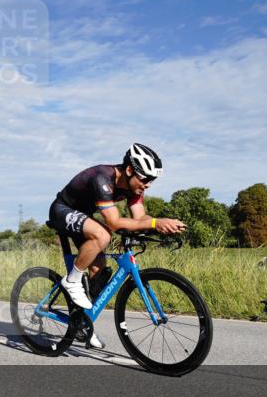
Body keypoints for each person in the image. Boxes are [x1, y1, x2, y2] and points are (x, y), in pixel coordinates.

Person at [48, 143, 186, 348]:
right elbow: (113, 222)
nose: (148, 184)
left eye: (152, 180)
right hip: (62, 210)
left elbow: (140, 218)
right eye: (146, 178)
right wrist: (156, 222)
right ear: (129, 170)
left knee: (99, 269)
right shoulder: (102, 178)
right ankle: (72, 280)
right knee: (103, 234)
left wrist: (159, 226)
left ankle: (82, 323)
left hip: (83, 216)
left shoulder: (134, 188)